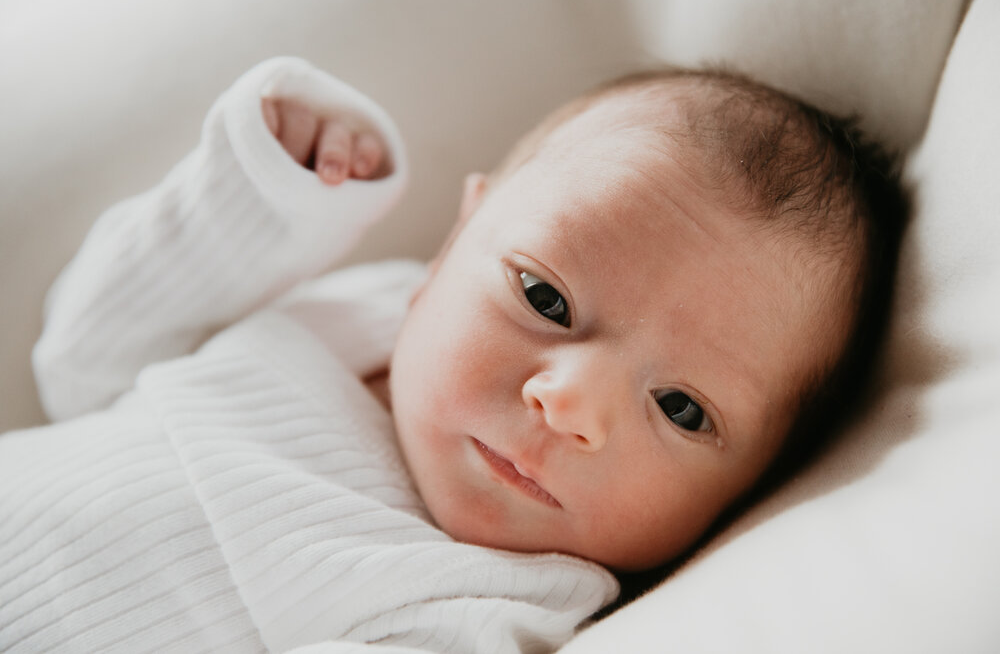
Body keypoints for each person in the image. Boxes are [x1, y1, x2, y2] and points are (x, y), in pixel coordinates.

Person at [0, 56, 904, 653]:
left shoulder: (497, 603)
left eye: (682, 408)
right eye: (545, 299)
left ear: (742, 500)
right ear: (456, 238)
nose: (570, 404)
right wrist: (265, 204)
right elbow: (80, 365)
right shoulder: (359, 311)